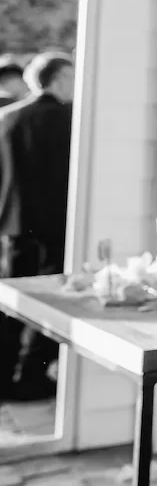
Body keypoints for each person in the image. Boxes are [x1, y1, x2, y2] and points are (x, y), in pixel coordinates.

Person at [0, 50, 74, 400]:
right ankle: (32, 375)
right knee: (48, 302)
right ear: (59, 79)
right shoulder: (67, 119)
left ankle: (4, 374)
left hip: (14, 225)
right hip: (55, 225)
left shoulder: (8, 119)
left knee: (13, 301)